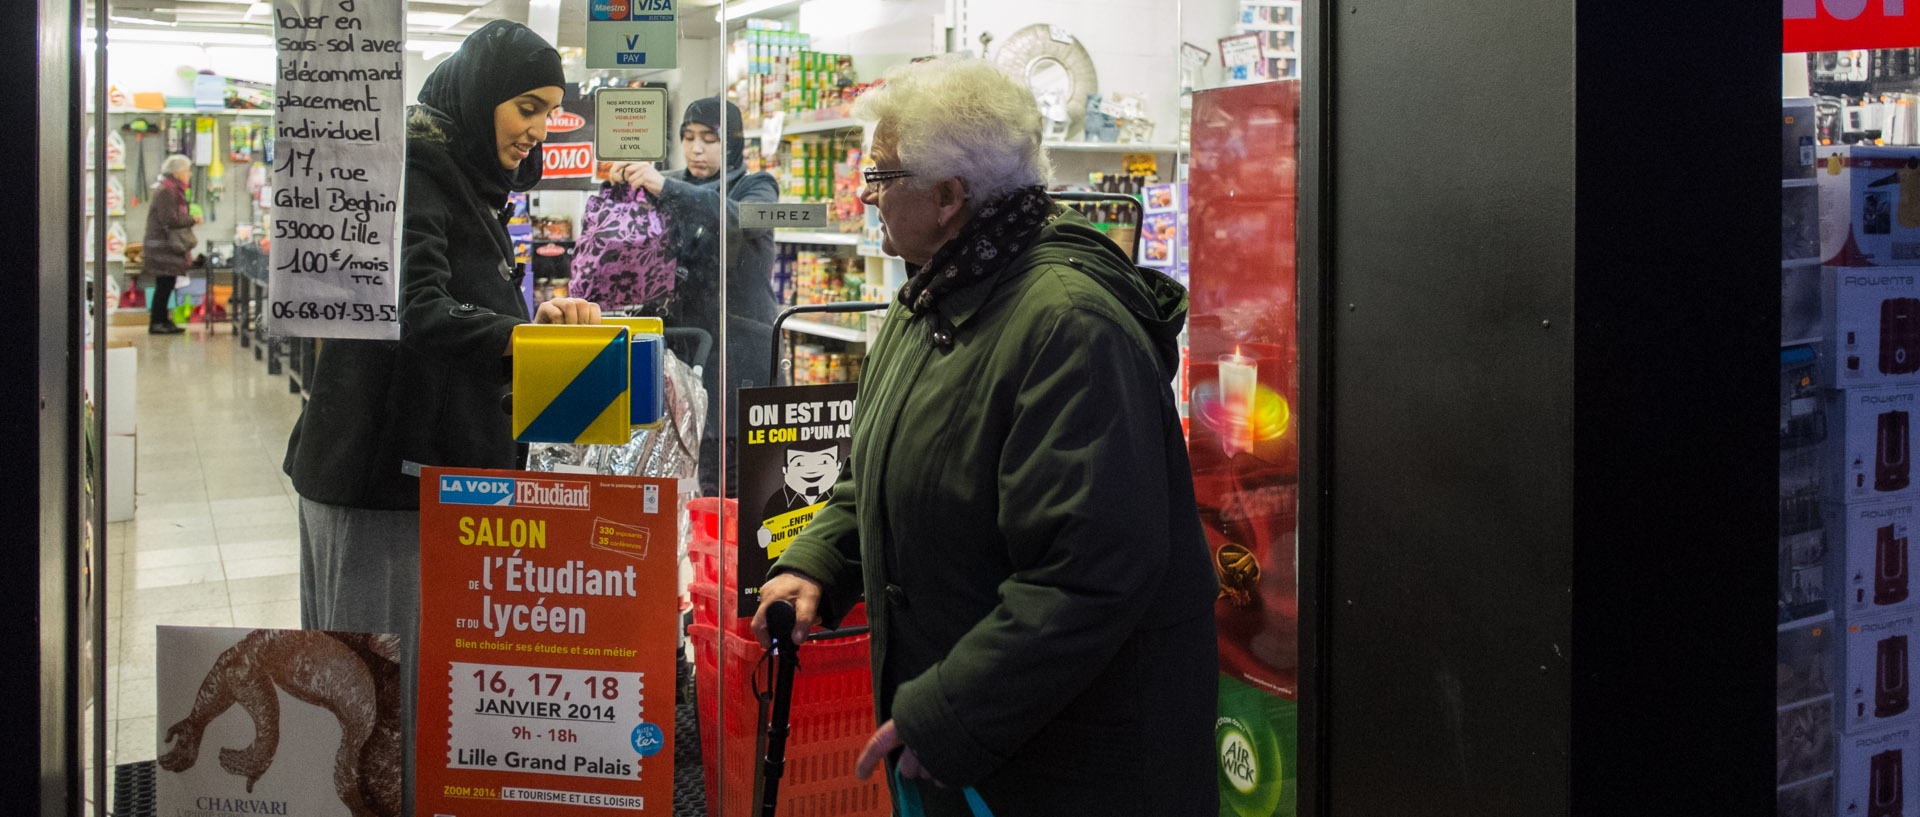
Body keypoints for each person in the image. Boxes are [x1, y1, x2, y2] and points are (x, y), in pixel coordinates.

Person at [751, 55, 1221, 816]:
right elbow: (877, 466)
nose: (866, 194)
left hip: (1070, 766)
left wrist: (950, 713)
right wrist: (819, 562)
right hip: (980, 741)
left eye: (881, 176)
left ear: (948, 196)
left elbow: (1089, 573)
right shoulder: (934, 292)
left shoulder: (1068, 324)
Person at [279, 23, 597, 808]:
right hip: (380, 475)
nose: (535, 128)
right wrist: (523, 337)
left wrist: (537, 319)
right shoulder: (419, 170)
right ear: (481, 94)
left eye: (549, 113)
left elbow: (460, 299)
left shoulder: (464, 178)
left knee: (390, 693)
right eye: (525, 106)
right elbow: (416, 308)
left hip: (407, 471)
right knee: (372, 696)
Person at [605, 98, 780, 497]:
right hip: (680, 350)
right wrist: (624, 188)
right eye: (688, 138)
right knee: (681, 476)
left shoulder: (759, 186)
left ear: (732, 143)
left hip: (737, 356)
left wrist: (666, 187)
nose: (697, 149)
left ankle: (729, 559)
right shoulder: (662, 185)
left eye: (709, 139)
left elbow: (746, 221)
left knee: (730, 482)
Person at [141, 154, 198, 334]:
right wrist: (192, 219)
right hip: (163, 247)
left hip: (164, 246)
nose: (189, 174)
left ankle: (163, 320)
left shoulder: (171, 189)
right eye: (187, 171)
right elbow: (169, 218)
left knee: (166, 284)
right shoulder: (168, 191)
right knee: (164, 285)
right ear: (176, 172)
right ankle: (158, 323)